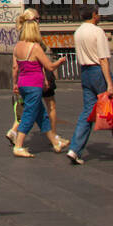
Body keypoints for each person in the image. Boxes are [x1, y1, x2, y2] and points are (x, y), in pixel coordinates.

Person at [66, 6, 113, 164]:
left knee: (87, 112)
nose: (99, 16)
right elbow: (103, 59)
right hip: (99, 72)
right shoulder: (97, 32)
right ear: (94, 15)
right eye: (98, 14)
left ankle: (75, 149)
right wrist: (109, 83)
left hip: (85, 73)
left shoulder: (78, 32)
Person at [11, 10, 69, 157]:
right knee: (29, 115)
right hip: (34, 86)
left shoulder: (18, 46)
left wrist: (15, 84)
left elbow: (15, 67)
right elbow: (49, 66)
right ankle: (18, 145)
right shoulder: (35, 47)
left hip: (23, 83)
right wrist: (60, 62)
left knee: (41, 114)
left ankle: (55, 142)